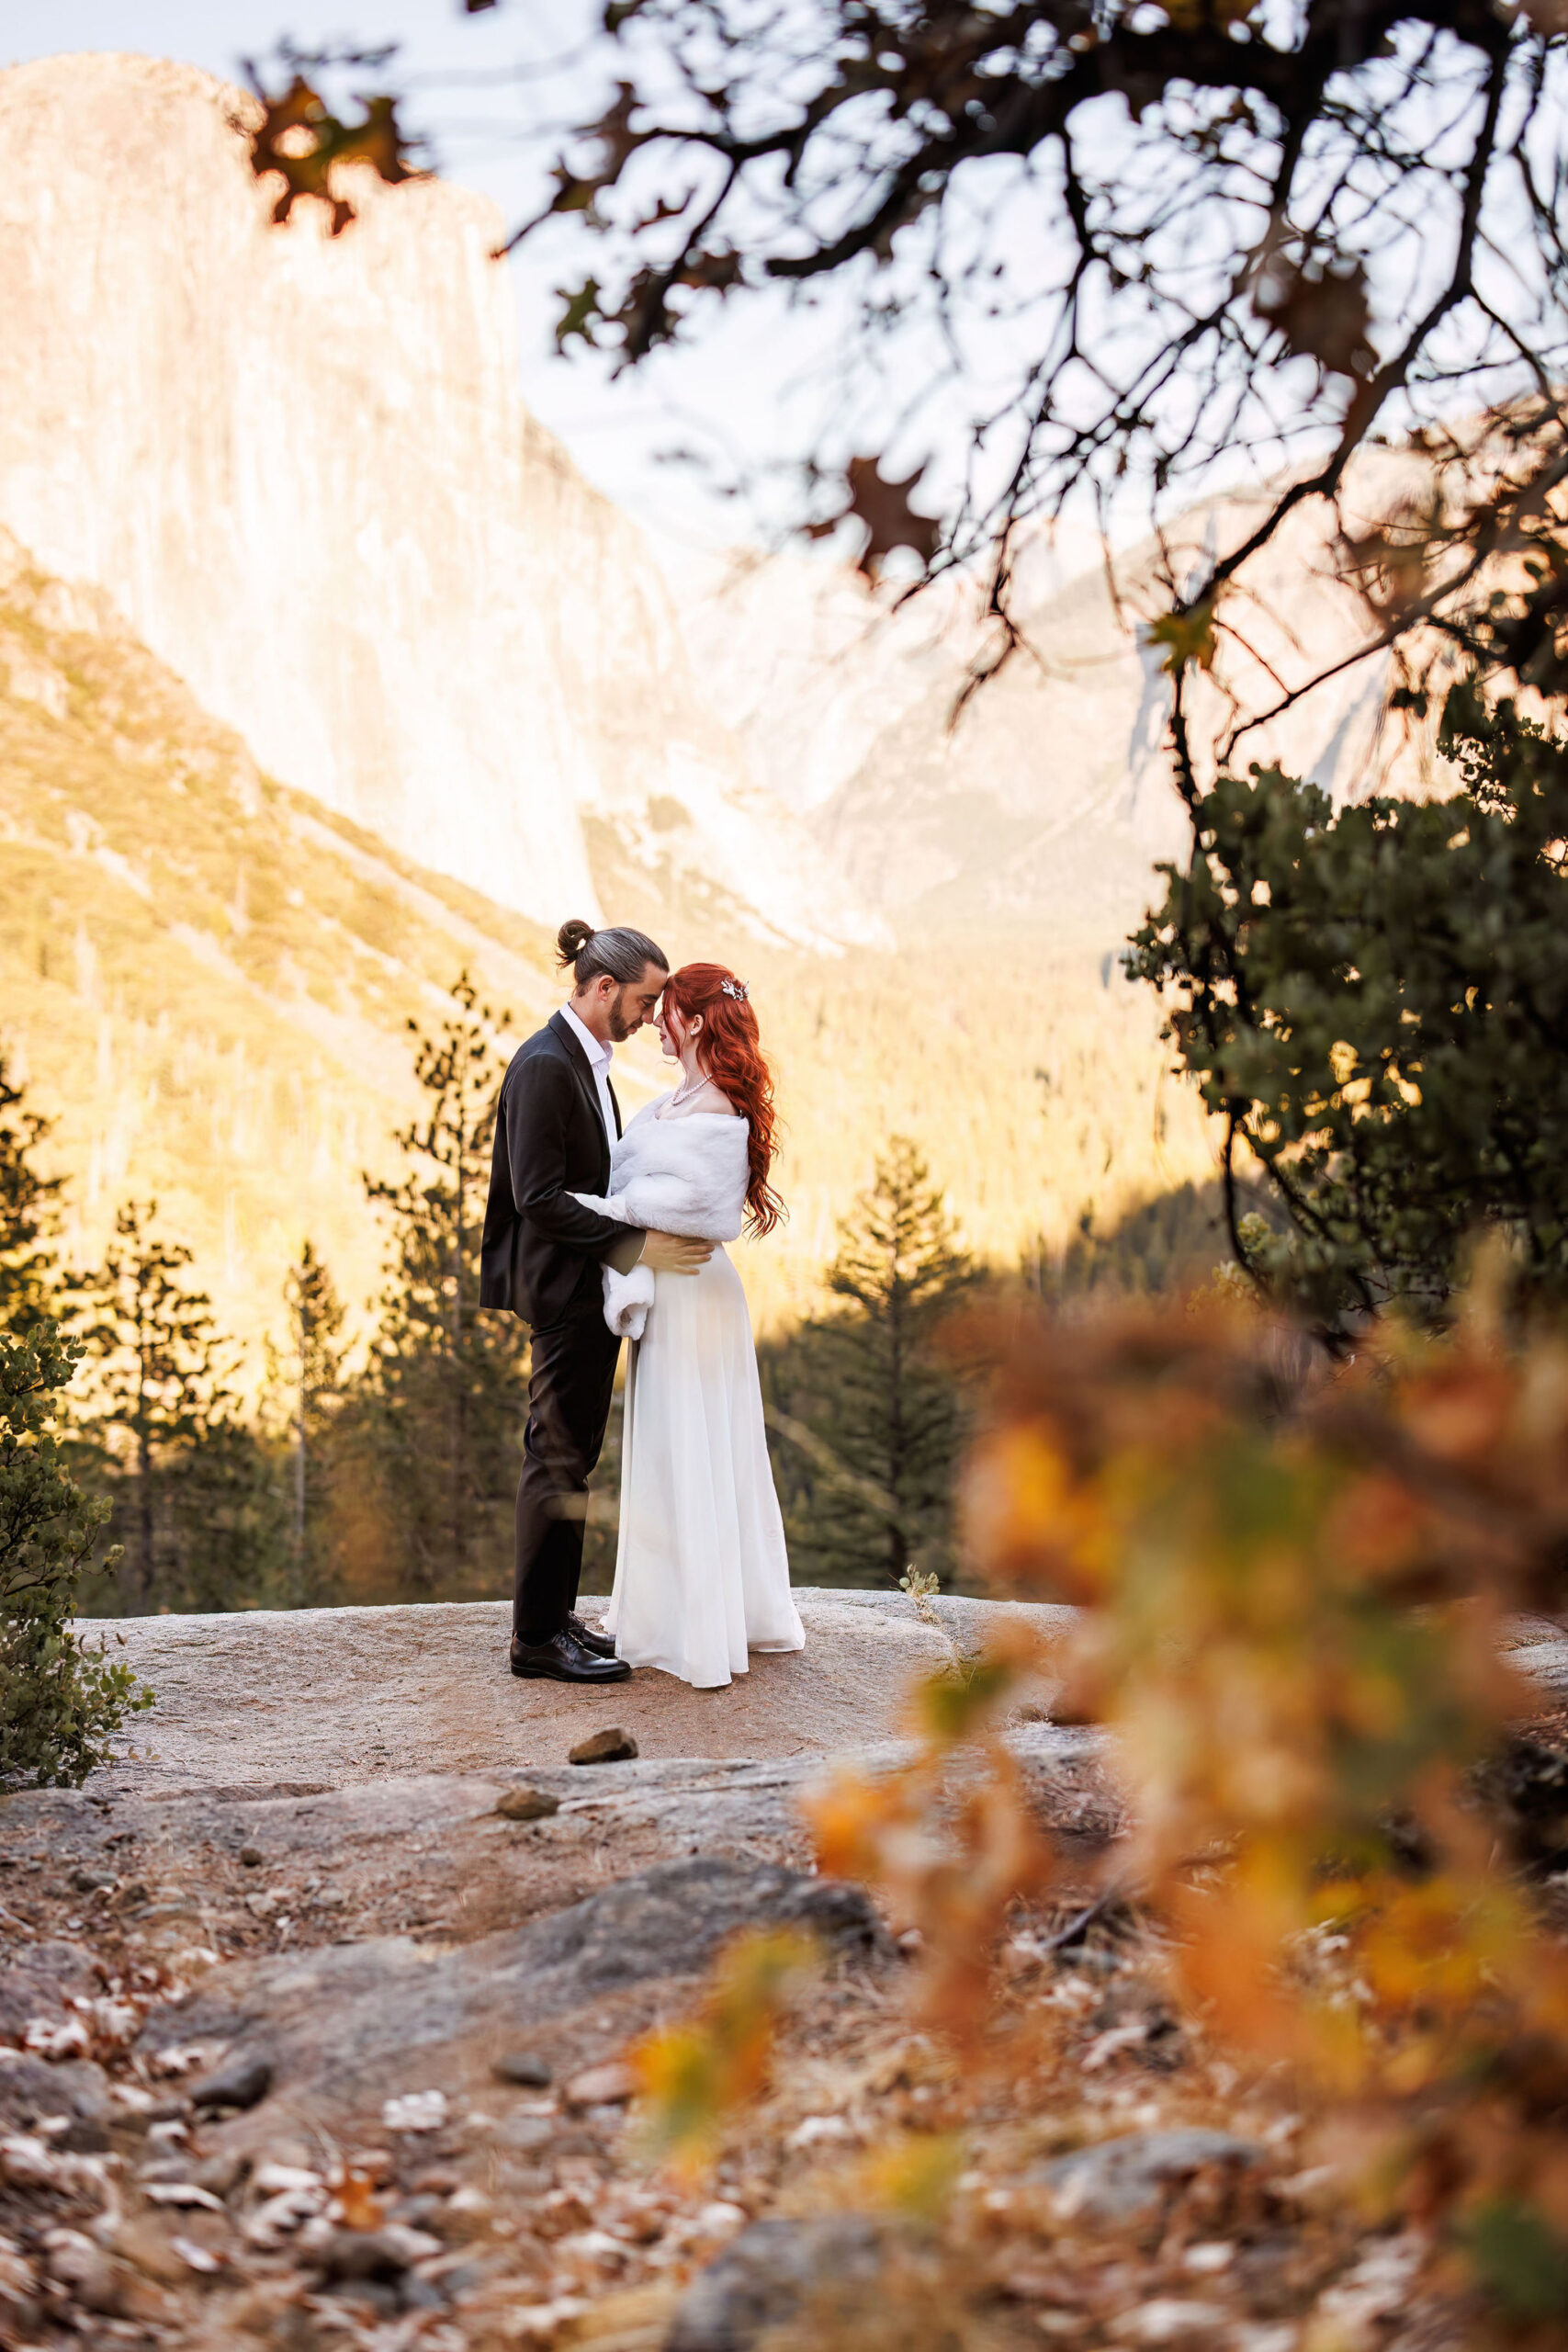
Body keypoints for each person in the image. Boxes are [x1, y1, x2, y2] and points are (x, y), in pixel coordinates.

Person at [479, 919, 713, 1685]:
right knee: (555, 1458)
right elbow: (539, 1196)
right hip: (563, 1287)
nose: (651, 1017)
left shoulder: (585, 1058)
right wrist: (641, 1249)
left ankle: (551, 1618)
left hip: (584, 1284)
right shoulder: (546, 1065)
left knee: (571, 1457)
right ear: (603, 986)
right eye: (644, 1000)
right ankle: (536, 1642)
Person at [570, 962, 805, 1688]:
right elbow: (633, 1187)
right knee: (671, 1445)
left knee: (700, 1444)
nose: (655, 1022)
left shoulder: (722, 1114)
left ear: (696, 1021)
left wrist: (607, 1207)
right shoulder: (676, 1101)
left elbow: (701, 1213)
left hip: (698, 1292)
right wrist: (627, 1205)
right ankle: (663, 1609)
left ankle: (699, 1627)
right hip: (669, 1288)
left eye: (666, 1010)